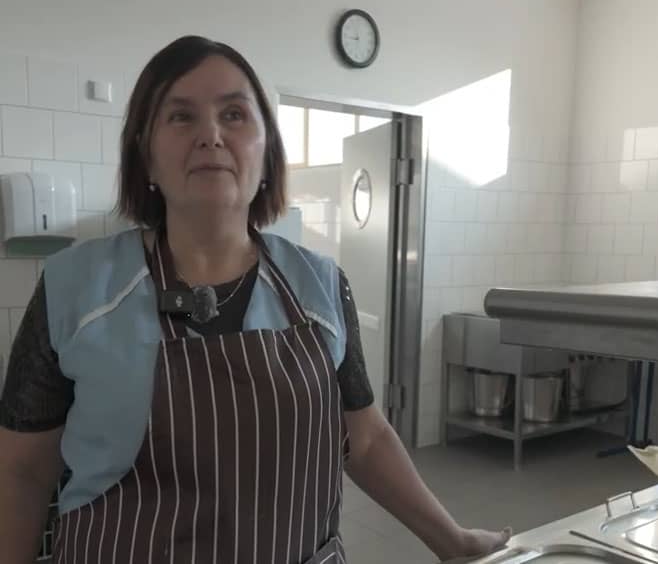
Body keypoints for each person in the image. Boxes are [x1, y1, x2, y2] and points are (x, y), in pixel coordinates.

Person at [0, 35, 509, 564]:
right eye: (181, 116)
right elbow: (21, 471)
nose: (210, 135)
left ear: (267, 155)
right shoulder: (75, 288)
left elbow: (365, 438)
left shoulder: (320, 285)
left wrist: (452, 540)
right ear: (145, 158)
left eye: (234, 114)